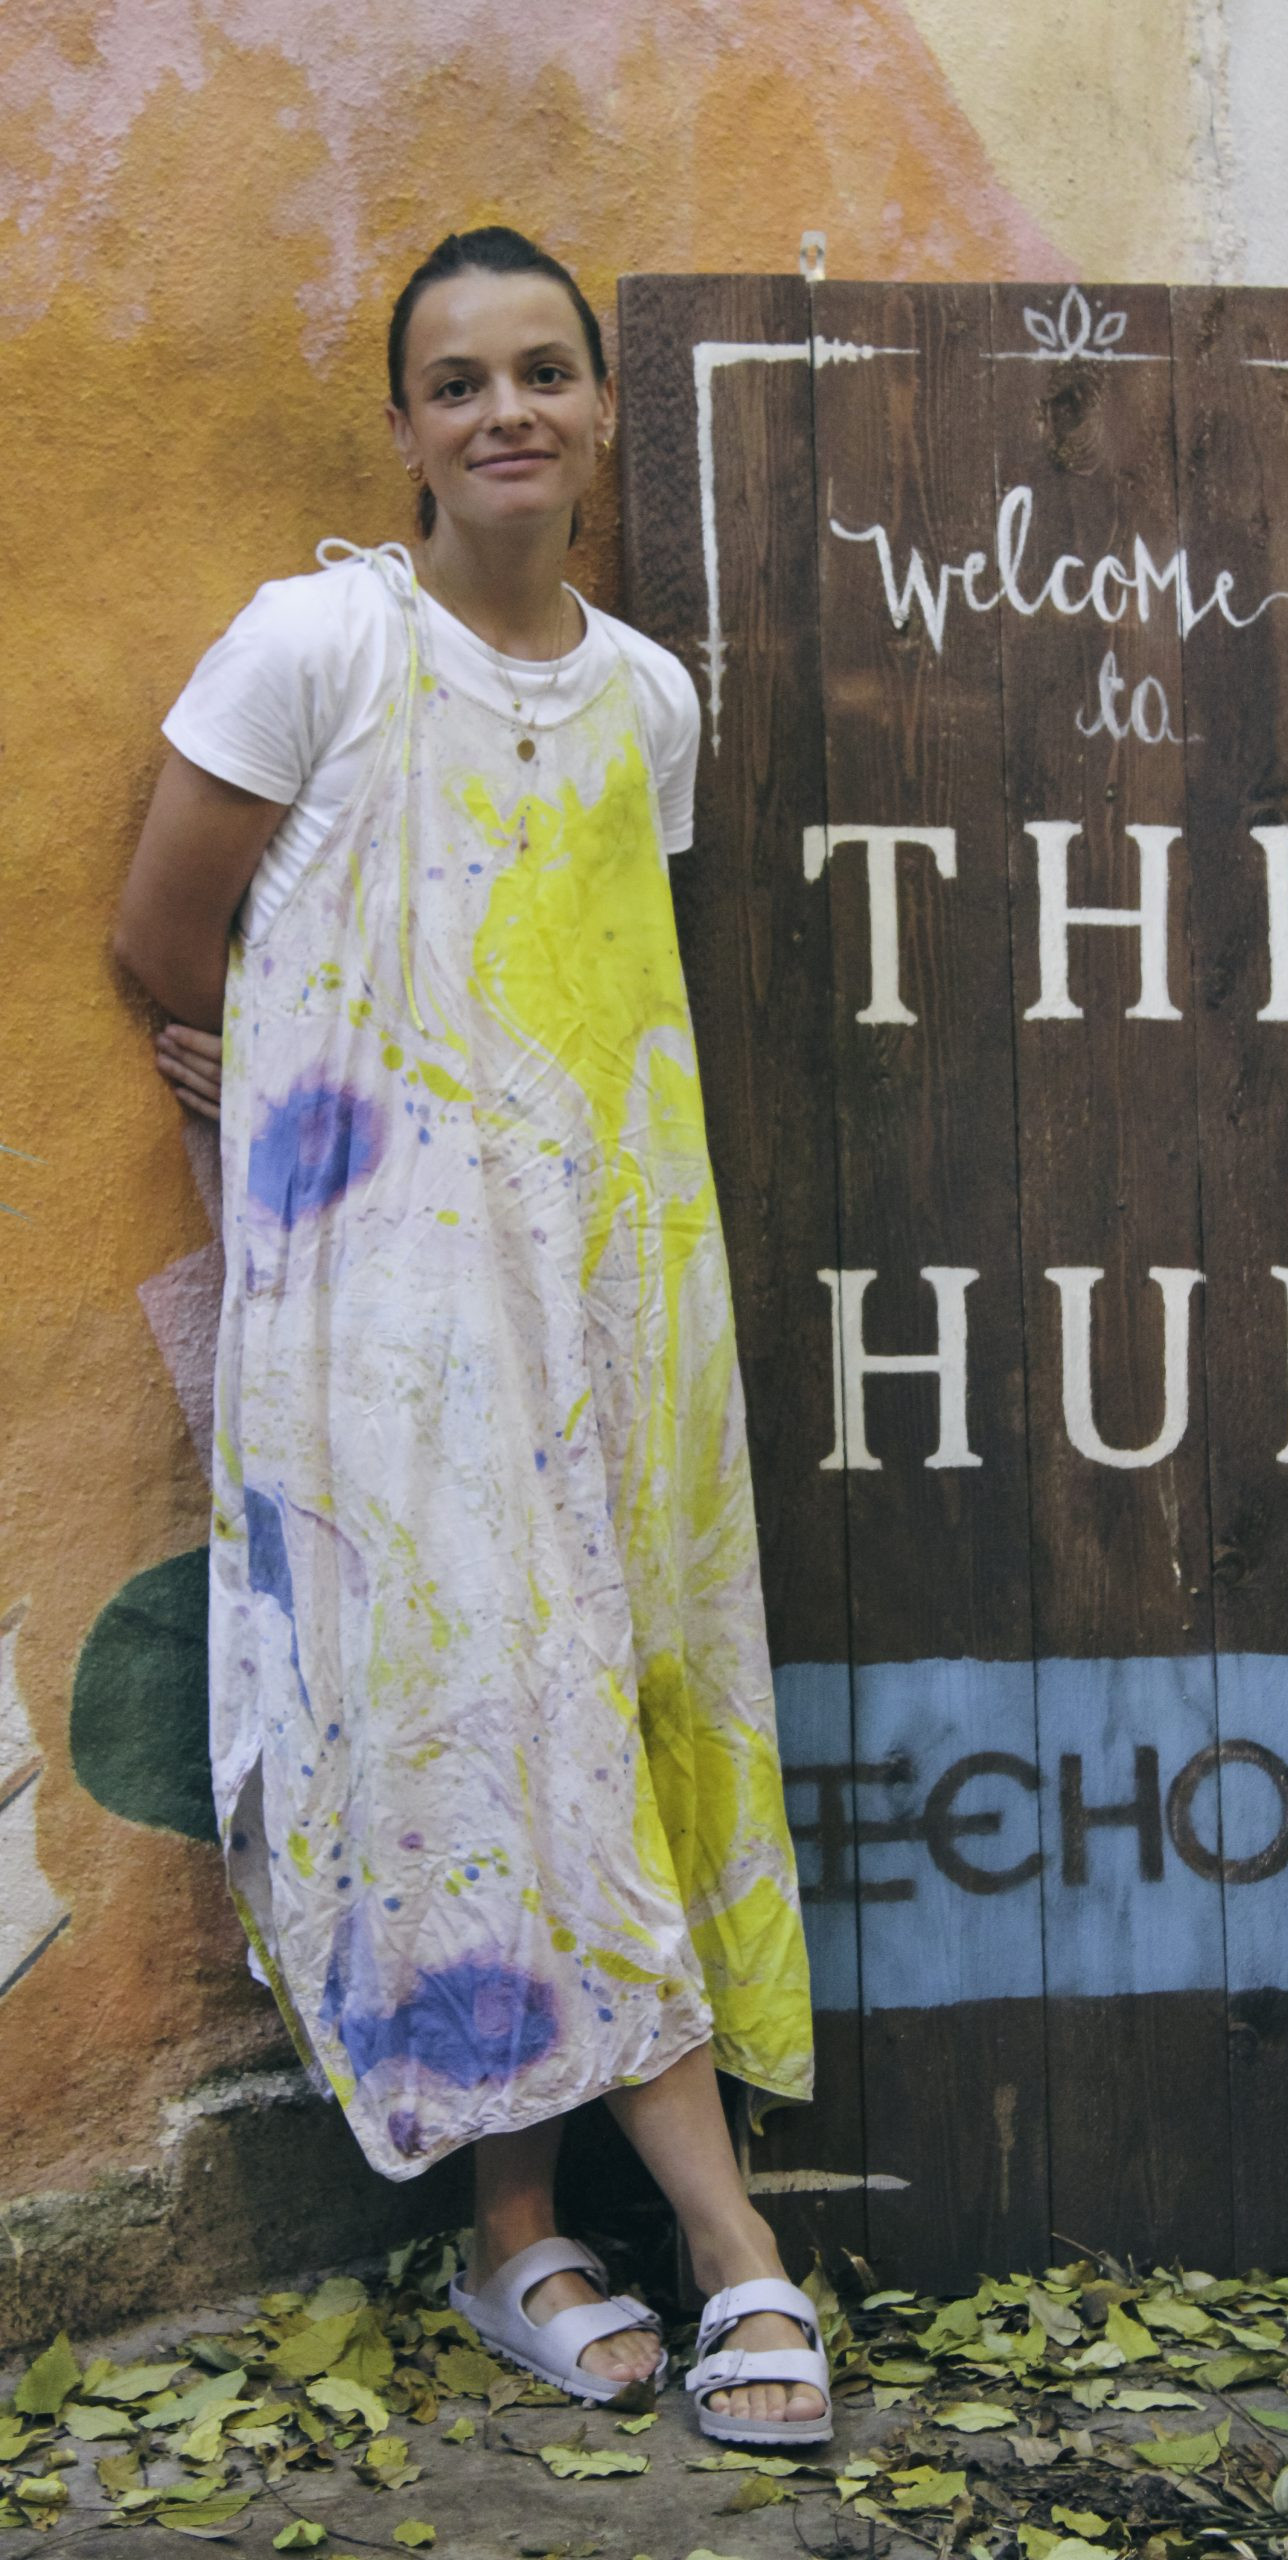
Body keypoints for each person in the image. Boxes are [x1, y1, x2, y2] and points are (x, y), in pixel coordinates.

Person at [113, 226, 829, 2445]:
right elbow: (167, 930)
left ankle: (517, 2231)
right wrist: (316, 1107)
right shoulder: (314, 641)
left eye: (543, 370)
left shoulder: (648, 693)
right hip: (387, 1318)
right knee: (475, 1703)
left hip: (613, 1293)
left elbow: (602, 977)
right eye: (456, 380)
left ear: (604, 408)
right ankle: (731, 2239)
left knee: (583, 1698)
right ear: (404, 428)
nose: (503, 408)